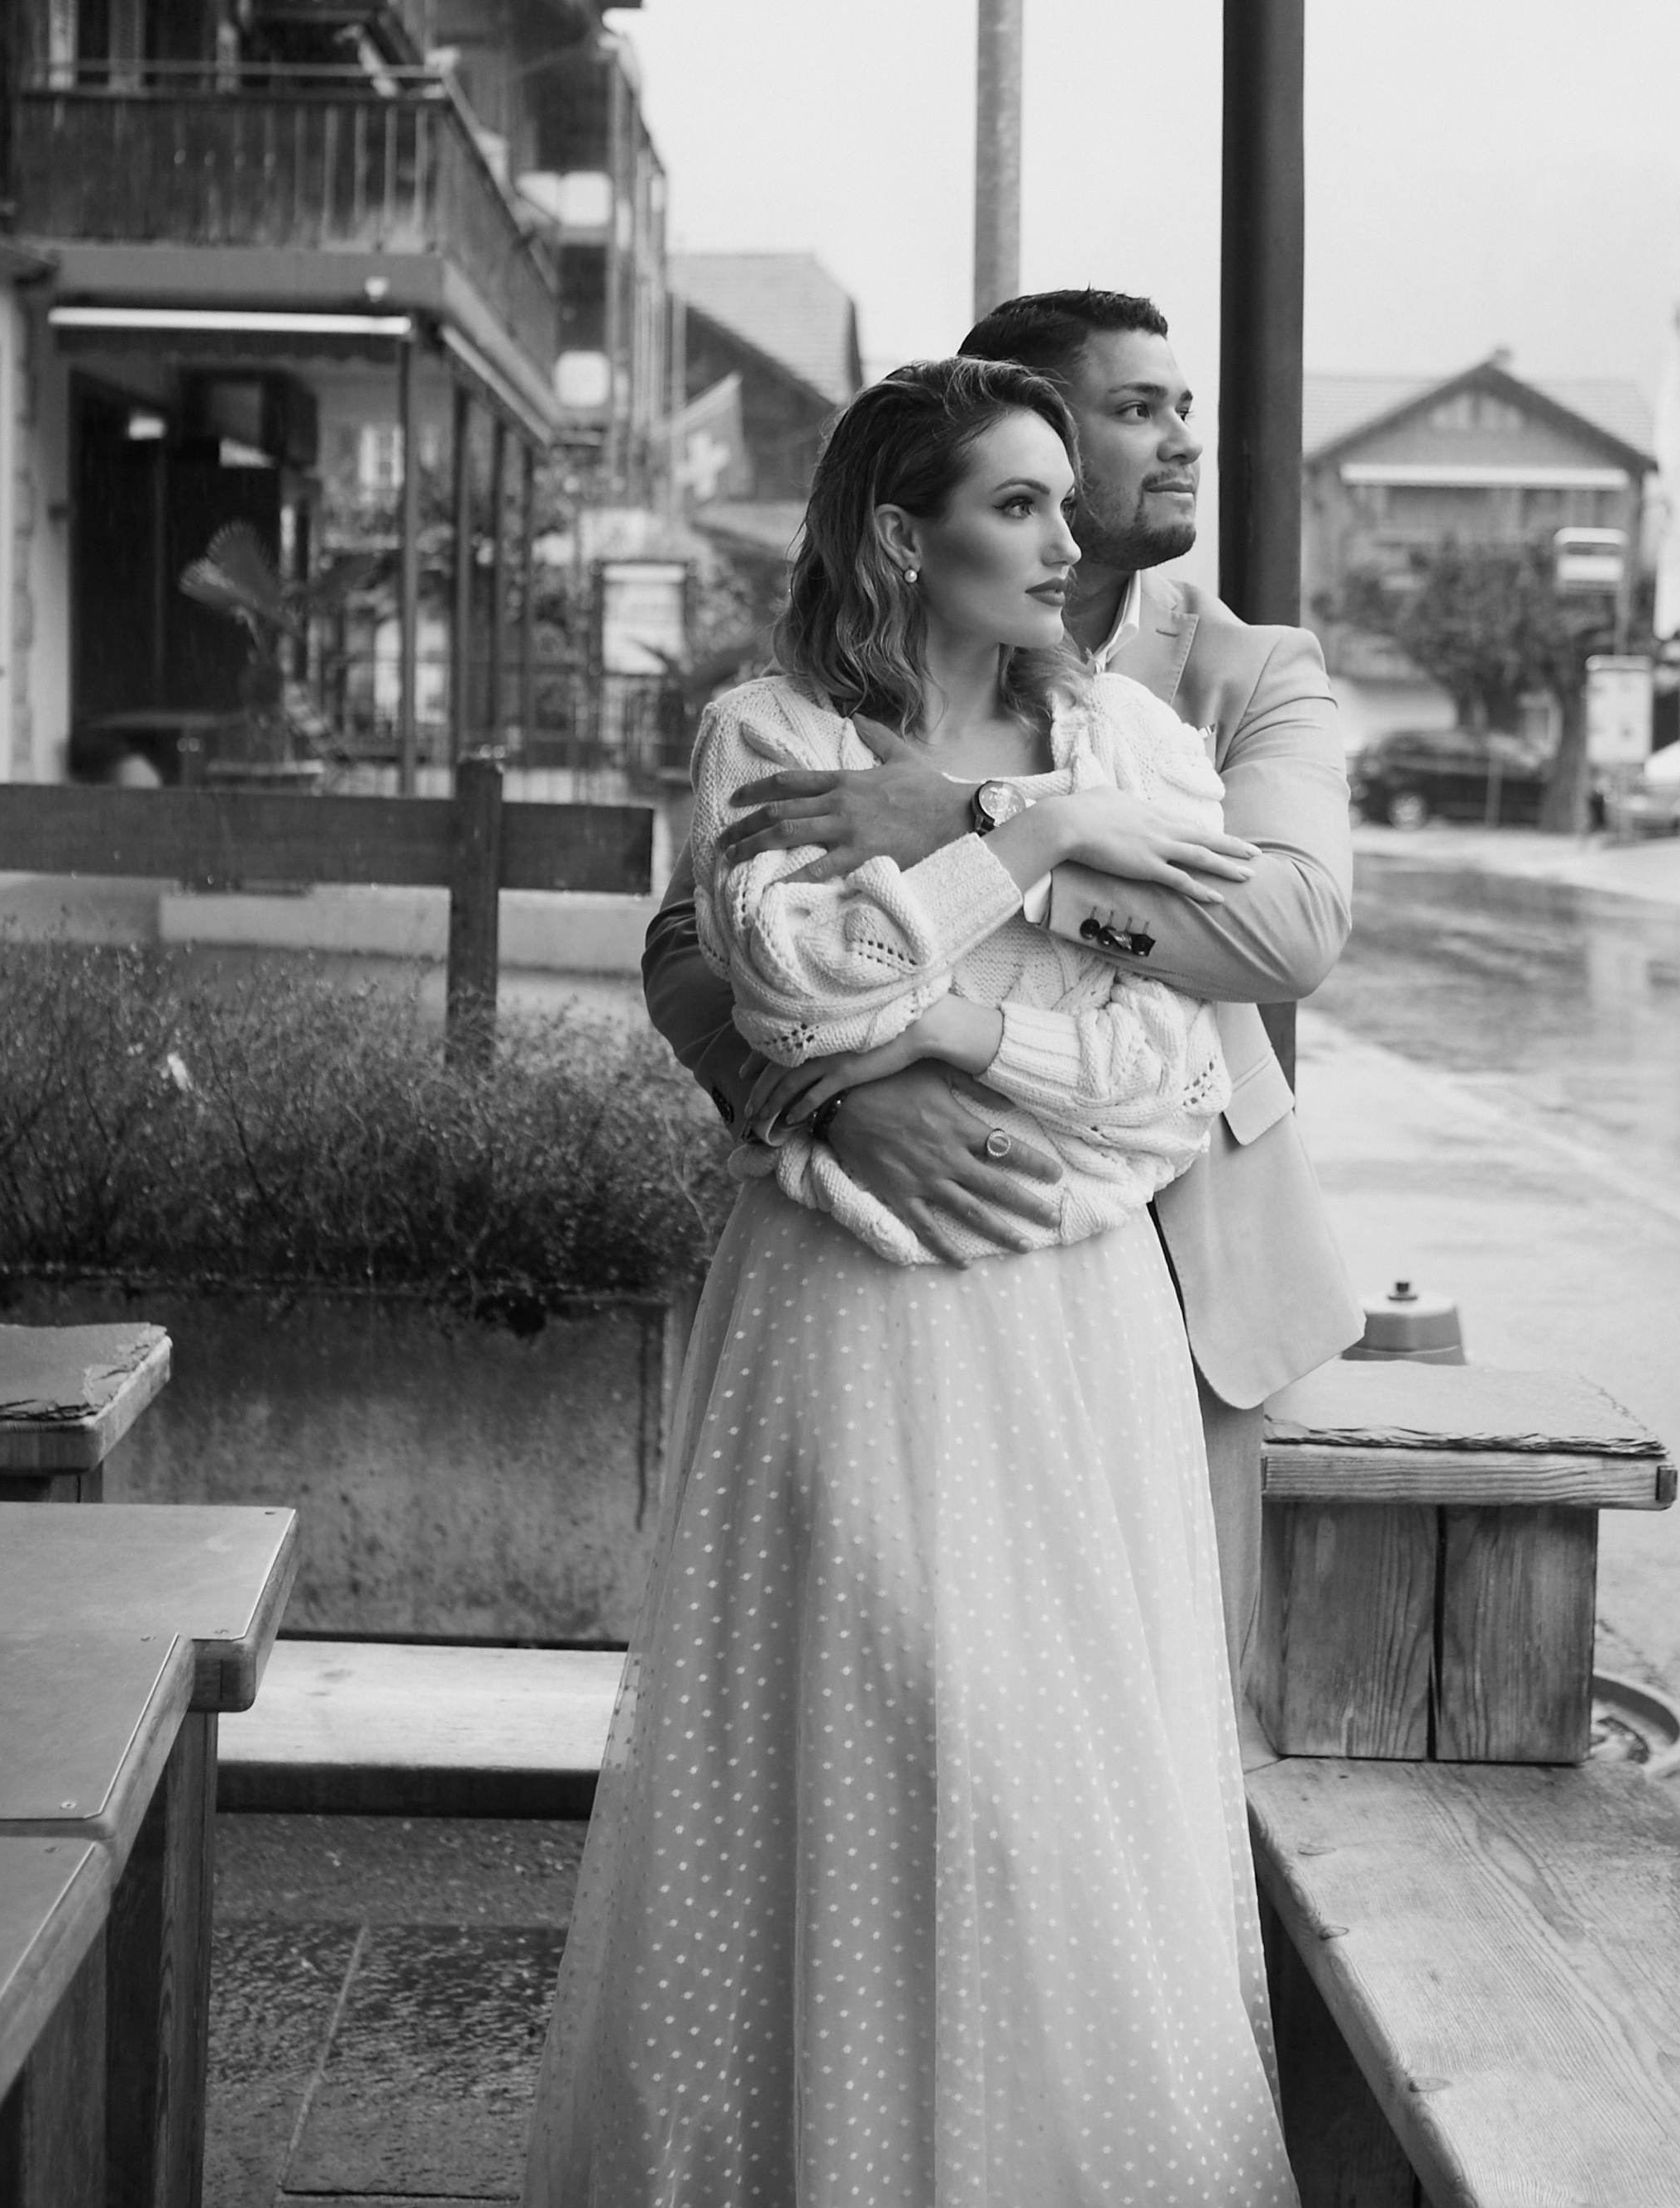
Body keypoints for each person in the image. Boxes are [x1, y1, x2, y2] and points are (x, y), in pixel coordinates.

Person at [524, 357, 1299, 2206]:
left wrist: (953, 978)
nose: (1069, 535)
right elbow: (786, 999)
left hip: (1075, 1320)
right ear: (901, 535)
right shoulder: (773, 734)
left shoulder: (1139, 752)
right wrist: (1015, 848)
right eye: (1019, 504)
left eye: (1066, 498)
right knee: (854, 1741)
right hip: (847, 1314)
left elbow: (1177, 1078)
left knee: (1060, 1778)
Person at [647, 291, 1362, 1680]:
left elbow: (1287, 933)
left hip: (1169, 1249)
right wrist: (828, 1102)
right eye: (1136, 409)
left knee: (1138, 1710)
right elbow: (692, 944)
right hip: (872, 1226)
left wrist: (985, 822)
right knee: (870, 1690)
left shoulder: (1239, 671)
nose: (1180, 443)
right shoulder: (783, 708)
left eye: (1186, 406)